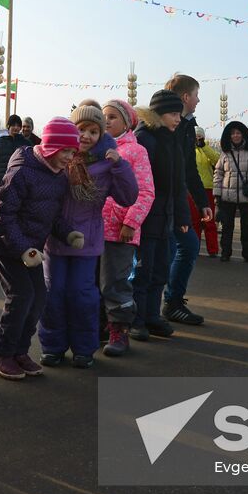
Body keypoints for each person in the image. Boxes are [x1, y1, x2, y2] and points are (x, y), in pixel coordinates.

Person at [0, 118, 84, 379]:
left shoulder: (59, 177)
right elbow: (3, 217)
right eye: (66, 151)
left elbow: (53, 216)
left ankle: (19, 351)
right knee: (21, 296)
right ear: (51, 147)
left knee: (39, 297)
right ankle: (0, 352)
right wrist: (22, 250)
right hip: (8, 246)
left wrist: (68, 233)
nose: (69, 157)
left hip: (32, 250)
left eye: (73, 152)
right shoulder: (22, 170)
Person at [40, 103, 136, 370]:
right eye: (81, 129)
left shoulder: (107, 163)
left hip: (87, 240)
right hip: (55, 240)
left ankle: (84, 349)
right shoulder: (59, 158)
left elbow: (128, 197)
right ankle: (53, 346)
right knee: (53, 293)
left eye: (94, 131)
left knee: (83, 295)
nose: (86, 136)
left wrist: (120, 166)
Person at [130, 90, 190, 340]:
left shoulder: (172, 139)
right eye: (173, 114)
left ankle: (153, 316)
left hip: (166, 216)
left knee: (160, 269)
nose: (178, 119)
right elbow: (139, 184)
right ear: (159, 113)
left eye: (179, 114)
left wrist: (183, 216)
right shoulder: (144, 138)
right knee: (142, 270)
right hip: (145, 216)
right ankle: (136, 320)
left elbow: (178, 183)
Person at [98, 98, 155, 357]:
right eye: (103, 116)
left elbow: (145, 192)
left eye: (112, 116)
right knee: (91, 282)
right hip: (91, 229)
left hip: (120, 231)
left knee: (115, 283)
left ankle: (119, 331)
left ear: (127, 122)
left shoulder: (135, 151)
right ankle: (97, 328)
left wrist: (131, 223)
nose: (106, 120)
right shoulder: (93, 148)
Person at [163, 75, 212, 323]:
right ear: (185, 97)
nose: (198, 100)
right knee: (160, 254)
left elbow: (190, 169)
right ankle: (134, 312)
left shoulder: (188, 127)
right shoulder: (164, 126)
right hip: (160, 202)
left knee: (186, 246)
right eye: (196, 95)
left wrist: (202, 202)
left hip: (177, 200)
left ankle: (171, 301)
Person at [211, 120, 248, 268]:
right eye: (233, 133)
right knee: (227, 226)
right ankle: (225, 253)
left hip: (247, 196)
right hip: (227, 196)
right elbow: (218, 174)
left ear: (244, 135)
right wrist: (217, 194)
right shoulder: (225, 154)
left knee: (247, 227)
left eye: (238, 133)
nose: (235, 135)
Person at [192, 128, 221, 257]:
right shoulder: (188, 149)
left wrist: (203, 147)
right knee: (195, 222)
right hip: (192, 190)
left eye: (200, 136)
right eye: (196, 136)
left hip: (207, 188)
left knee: (209, 221)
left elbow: (217, 161)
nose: (198, 138)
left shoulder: (208, 149)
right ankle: (194, 249)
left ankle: (213, 249)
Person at [0, 114, 29, 182]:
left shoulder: (26, 143)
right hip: (1, 179)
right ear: (8, 126)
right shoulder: (0, 141)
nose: (16, 127)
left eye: (18, 126)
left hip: (19, 180)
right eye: (13, 125)